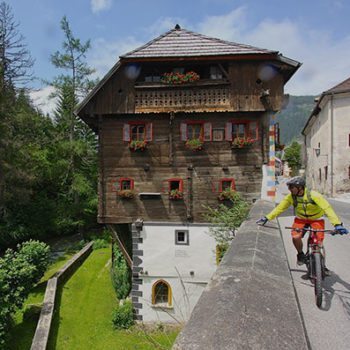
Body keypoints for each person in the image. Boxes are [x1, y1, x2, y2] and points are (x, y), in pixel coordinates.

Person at [256, 176, 348, 265]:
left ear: (300, 188)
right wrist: (267, 217)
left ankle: (321, 265)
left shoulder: (314, 195)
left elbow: (327, 209)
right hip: (300, 220)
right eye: (289, 187)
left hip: (316, 220)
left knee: (318, 243)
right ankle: (300, 254)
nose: (290, 189)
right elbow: (280, 208)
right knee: (296, 237)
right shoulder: (291, 197)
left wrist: (337, 224)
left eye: (292, 187)